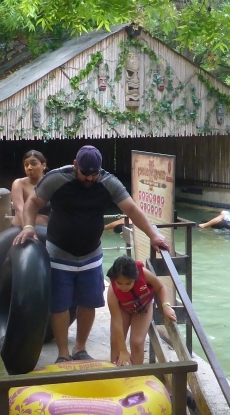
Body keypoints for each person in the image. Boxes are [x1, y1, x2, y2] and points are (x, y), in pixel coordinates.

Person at [12, 145, 171, 362]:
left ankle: (80, 348)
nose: (89, 178)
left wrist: (153, 235)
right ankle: (63, 354)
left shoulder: (108, 182)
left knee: (88, 302)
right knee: (60, 305)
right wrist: (28, 227)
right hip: (59, 252)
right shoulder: (56, 178)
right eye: (85, 173)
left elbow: (132, 210)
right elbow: (33, 202)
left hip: (91, 254)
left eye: (94, 173)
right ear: (75, 165)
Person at [106, 255, 177, 365]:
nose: (124, 287)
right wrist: (123, 350)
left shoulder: (143, 273)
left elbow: (160, 287)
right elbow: (117, 321)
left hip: (143, 308)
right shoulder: (112, 292)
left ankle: (137, 374)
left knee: (137, 342)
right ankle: (116, 370)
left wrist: (166, 306)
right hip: (123, 309)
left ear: (135, 277)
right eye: (119, 283)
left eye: (128, 283)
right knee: (116, 341)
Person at [11, 150, 50, 227]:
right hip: (21, 227)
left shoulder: (50, 183)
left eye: (33, 164)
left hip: (46, 229)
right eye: (26, 165)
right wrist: (27, 229)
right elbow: (20, 210)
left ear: (44, 166)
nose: (29, 167)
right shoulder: (19, 183)